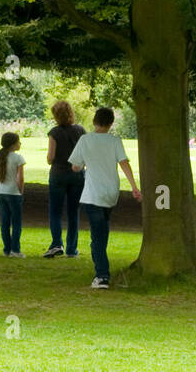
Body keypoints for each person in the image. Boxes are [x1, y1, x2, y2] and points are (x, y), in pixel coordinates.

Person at [71, 107, 142, 288]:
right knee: (102, 231)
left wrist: (84, 165)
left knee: (98, 236)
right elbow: (124, 163)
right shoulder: (115, 141)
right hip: (111, 193)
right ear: (111, 123)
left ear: (95, 121)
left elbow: (75, 166)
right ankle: (101, 270)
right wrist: (134, 187)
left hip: (93, 193)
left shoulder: (85, 140)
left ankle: (102, 275)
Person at [44, 100, 86, 258]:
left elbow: (51, 157)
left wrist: (49, 160)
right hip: (77, 175)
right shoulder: (80, 130)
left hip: (58, 175)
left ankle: (56, 243)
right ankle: (71, 249)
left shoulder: (54, 132)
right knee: (73, 212)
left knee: (55, 211)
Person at [0, 132, 25, 258]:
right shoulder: (18, 158)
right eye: (18, 141)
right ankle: (15, 250)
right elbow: (20, 178)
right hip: (13, 192)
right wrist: (21, 191)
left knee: (5, 222)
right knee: (16, 222)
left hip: (0, 191)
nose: (20, 144)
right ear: (13, 144)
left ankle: (7, 250)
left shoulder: (0, 156)